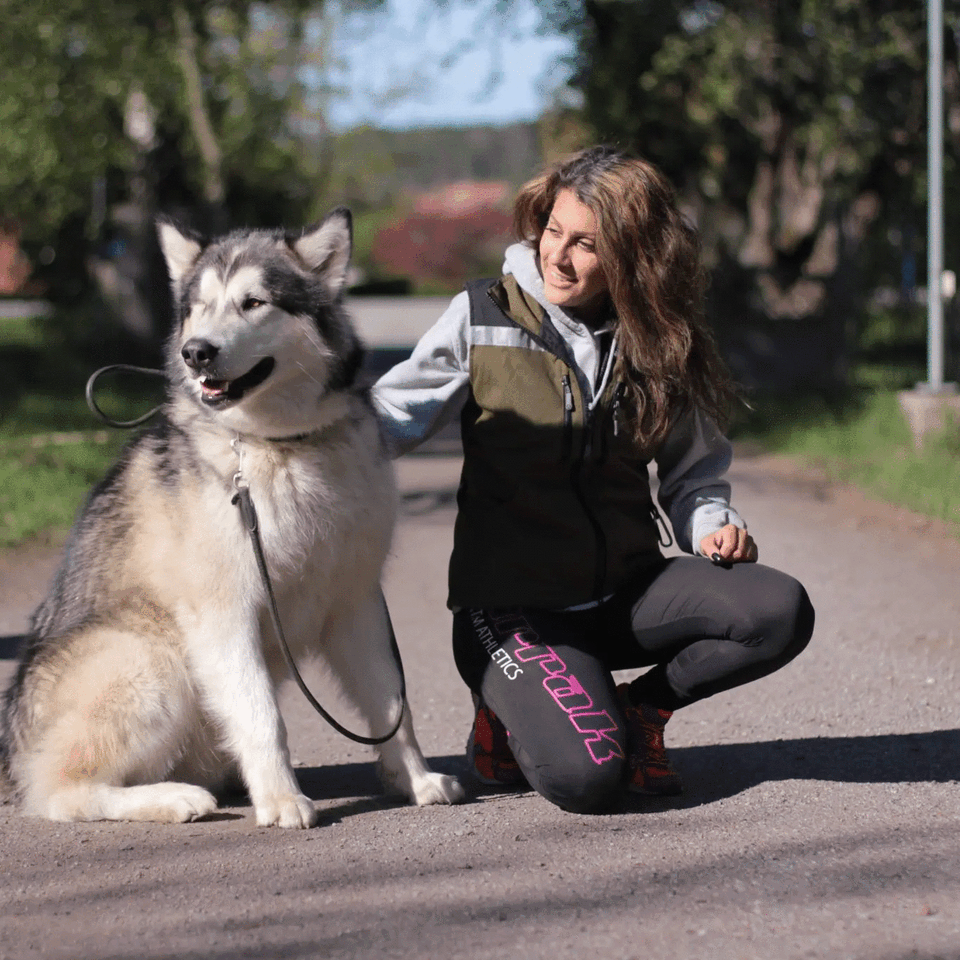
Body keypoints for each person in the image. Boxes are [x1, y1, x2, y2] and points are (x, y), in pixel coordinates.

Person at [372, 145, 814, 814]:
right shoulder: (483, 316)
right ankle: (507, 708)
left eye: (586, 244)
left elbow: (694, 472)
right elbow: (387, 418)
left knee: (779, 610)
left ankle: (641, 710)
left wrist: (713, 526)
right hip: (516, 611)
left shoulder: (658, 340)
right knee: (588, 779)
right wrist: (283, 441)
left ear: (632, 258)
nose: (559, 255)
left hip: (623, 594)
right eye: (553, 231)